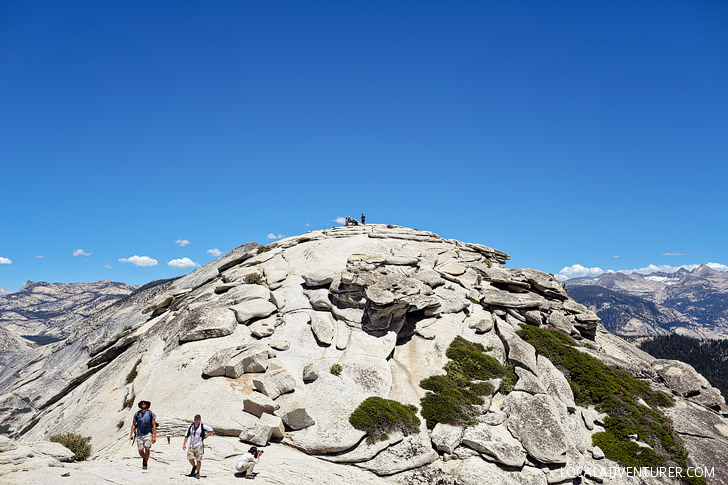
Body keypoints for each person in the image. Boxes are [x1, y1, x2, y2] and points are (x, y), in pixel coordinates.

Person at [183, 414, 213, 479]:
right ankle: (194, 466)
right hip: (191, 445)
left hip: (199, 445)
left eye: (197, 419)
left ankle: (198, 473)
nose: (196, 420)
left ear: (200, 420)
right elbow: (186, 436)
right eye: (195, 419)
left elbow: (211, 430)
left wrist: (206, 435)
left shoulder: (202, 426)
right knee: (190, 458)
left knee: (198, 460)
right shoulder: (190, 426)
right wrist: (184, 444)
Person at [129, 400, 156, 470]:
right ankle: (145, 458)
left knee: (147, 448)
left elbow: (154, 425)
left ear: (147, 405)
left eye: (144, 403)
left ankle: (145, 463)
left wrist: (154, 436)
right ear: (140, 405)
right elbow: (133, 425)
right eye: (142, 403)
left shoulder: (150, 413)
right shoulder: (137, 414)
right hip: (139, 435)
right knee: (140, 451)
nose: (143, 404)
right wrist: (131, 434)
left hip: (148, 434)